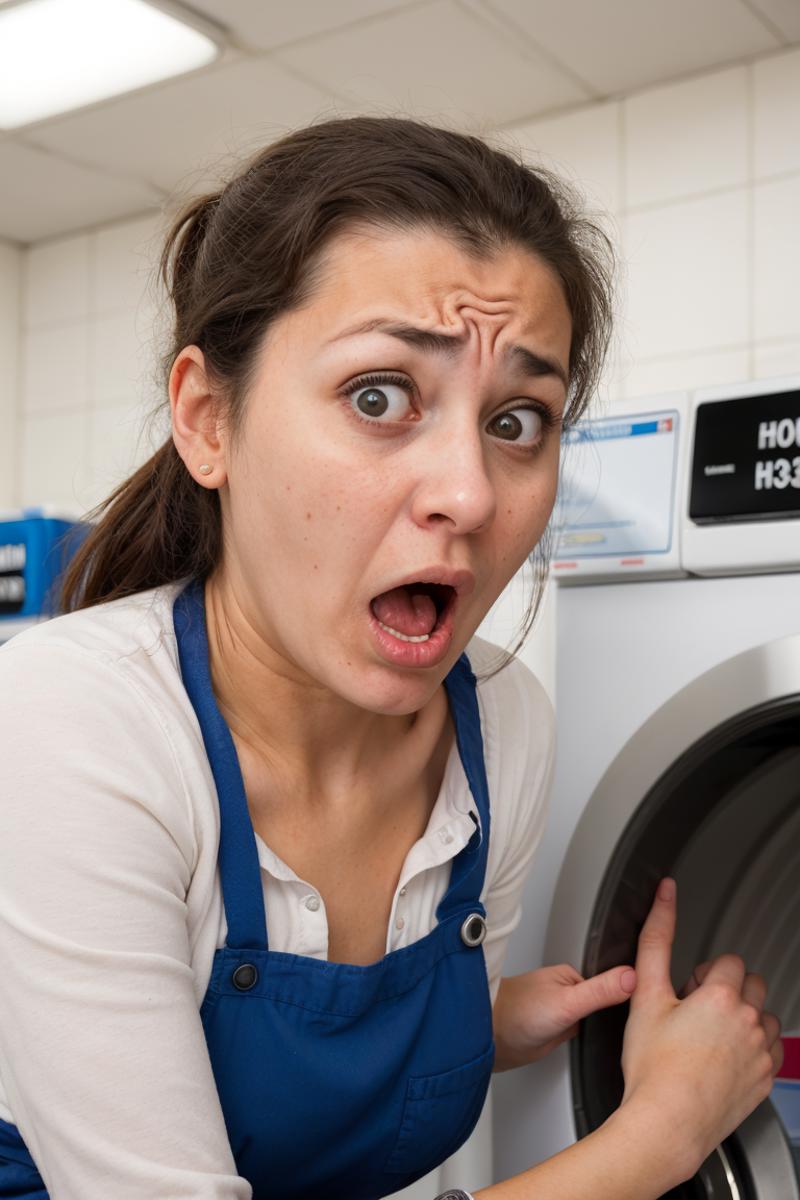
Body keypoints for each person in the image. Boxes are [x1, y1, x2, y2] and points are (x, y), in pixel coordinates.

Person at [0, 116, 782, 1200]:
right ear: (207, 418)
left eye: (517, 419)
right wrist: (656, 1135)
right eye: (379, 398)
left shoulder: (502, 728)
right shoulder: (72, 724)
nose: (467, 492)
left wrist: (486, 1026)